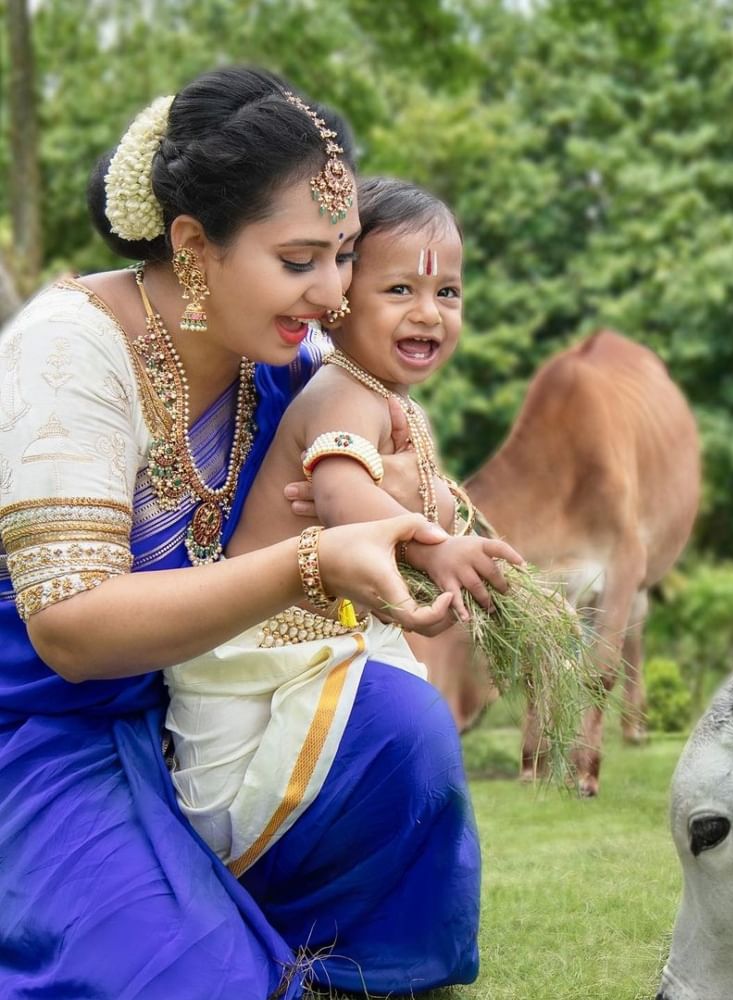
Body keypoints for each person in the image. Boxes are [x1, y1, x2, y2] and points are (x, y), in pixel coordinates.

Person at [0, 67, 503, 999]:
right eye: (302, 259)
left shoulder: (283, 350)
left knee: (405, 735)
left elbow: (392, 464)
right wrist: (306, 560)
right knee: (185, 978)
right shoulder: (67, 352)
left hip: (201, 713)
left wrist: (410, 503)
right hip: (44, 730)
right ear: (194, 244)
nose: (334, 292)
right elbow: (67, 630)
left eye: (347, 256)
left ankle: (327, 949)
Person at [162, 177, 511, 881]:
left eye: (447, 292)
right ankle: (278, 900)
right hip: (261, 651)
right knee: (246, 805)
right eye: (400, 292)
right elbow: (345, 498)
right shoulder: (342, 392)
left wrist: (442, 514)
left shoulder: (392, 402)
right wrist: (439, 549)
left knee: (412, 743)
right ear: (342, 299)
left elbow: (422, 497)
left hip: (326, 638)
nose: (429, 314)